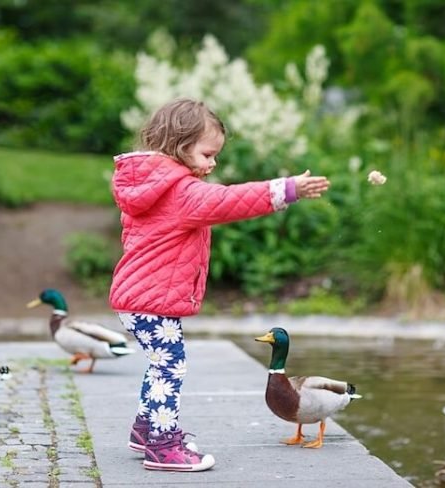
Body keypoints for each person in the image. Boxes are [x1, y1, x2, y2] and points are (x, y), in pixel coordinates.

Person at [109, 98, 330, 472]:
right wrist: (287, 189)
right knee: (170, 367)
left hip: (137, 297)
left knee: (160, 364)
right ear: (180, 146)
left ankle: (147, 429)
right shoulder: (181, 192)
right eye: (207, 153)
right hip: (150, 300)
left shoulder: (149, 185)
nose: (213, 163)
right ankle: (162, 447)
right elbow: (229, 200)